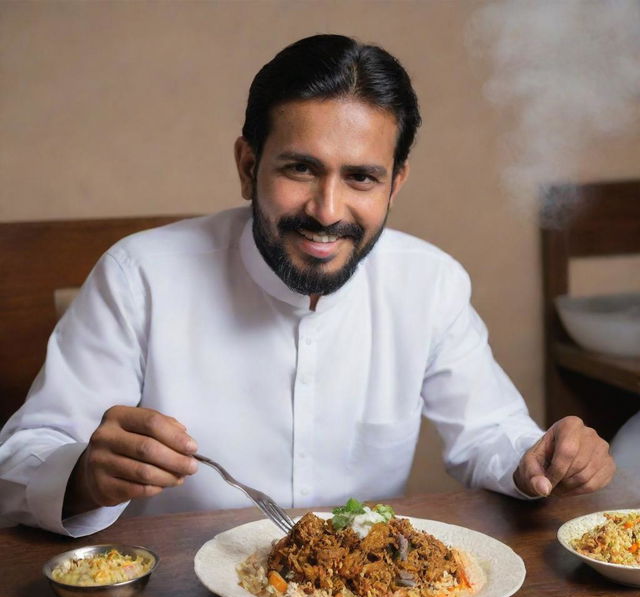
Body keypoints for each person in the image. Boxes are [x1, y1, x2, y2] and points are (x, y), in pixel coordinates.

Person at [0, 34, 614, 537]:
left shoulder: (431, 283)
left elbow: (489, 434)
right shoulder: (140, 276)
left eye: (361, 178)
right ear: (248, 166)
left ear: (395, 184)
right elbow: (21, 459)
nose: (327, 210)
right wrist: (82, 475)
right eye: (301, 168)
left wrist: (541, 458)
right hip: (177, 596)